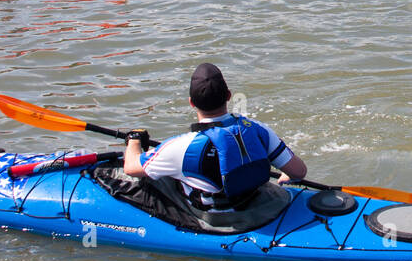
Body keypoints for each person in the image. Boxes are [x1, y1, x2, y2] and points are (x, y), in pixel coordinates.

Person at [123, 64, 308, 214]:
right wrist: (286, 176)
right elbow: (299, 171)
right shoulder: (258, 129)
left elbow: (130, 168)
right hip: (259, 204)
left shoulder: (180, 147)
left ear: (191, 103)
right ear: (228, 96)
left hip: (219, 219)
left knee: (158, 179)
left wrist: (134, 139)